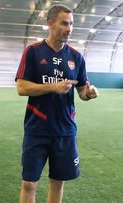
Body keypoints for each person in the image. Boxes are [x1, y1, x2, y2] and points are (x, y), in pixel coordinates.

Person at [15, 4, 99, 203]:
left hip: (65, 130)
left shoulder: (76, 57)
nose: (69, 28)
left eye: (71, 24)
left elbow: (81, 91)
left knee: (58, 181)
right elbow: (22, 88)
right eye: (64, 23)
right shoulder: (33, 51)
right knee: (29, 183)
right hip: (37, 129)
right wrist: (53, 87)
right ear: (50, 24)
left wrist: (89, 93)